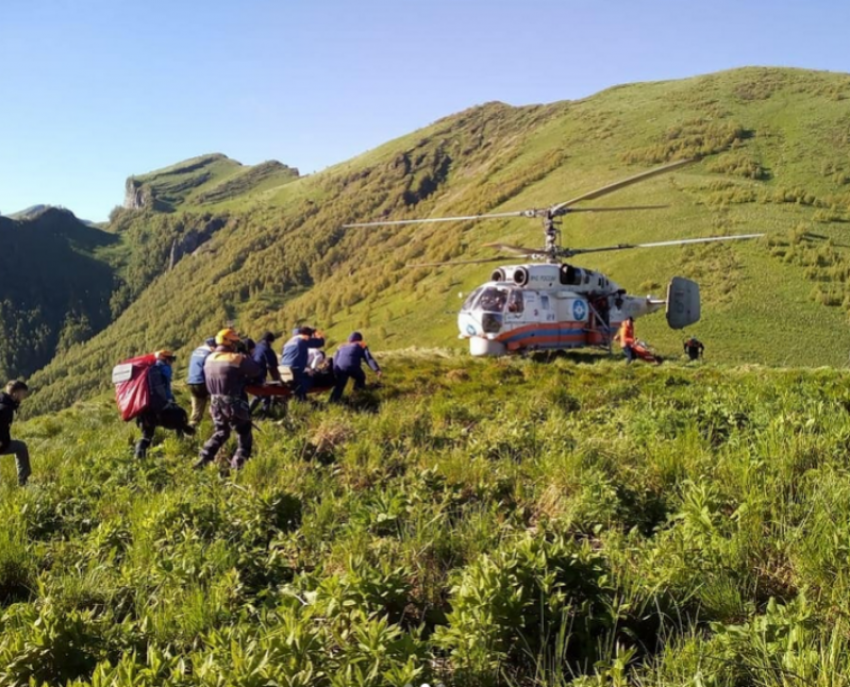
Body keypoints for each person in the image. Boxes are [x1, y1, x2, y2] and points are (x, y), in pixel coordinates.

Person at [194, 328, 263, 470]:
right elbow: (256, 370)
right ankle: (237, 468)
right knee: (244, 434)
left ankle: (204, 458)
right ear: (230, 342)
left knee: (221, 432)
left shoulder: (209, 358)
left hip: (215, 404)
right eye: (235, 342)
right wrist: (245, 354)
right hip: (234, 404)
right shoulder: (236, 358)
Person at [135, 350, 195, 459]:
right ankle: (181, 449)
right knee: (180, 419)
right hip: (160, 407)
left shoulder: (148, 369)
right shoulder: (163, 368)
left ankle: (138, 458)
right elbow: (164, 390)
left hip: (144, 409)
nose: (172, 362)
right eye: (171, 359)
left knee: (146, 437)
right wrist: (169, 401)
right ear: (165, 359)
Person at [329, 332, 382, 403]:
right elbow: (368, 358)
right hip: (352, 367)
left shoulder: (341, 346)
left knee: (339, 385)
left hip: (340, 368)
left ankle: (332, 402)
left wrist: (334, 370)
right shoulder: (361, 346)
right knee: (361, 377)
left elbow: (335, 359)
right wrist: (376, 369)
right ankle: (357, 395)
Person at [280, 326, 325, 401]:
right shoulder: (303, 338)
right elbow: (321, 342)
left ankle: (301, 401)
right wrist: (317, 333)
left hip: (284, 372)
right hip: (296, 372)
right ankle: (303, 403)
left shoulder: (288, 342)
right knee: (315, 378)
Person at [0, 381, 31, 486]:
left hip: (3, 442)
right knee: (21, 447)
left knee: (20, 447)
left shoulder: (4, 403)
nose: (23, 397)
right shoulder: (5, 409)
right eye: (23, 394)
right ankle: (23, 483)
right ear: (15, 394)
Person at [249, 331, 282, 416]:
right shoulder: (267, 350)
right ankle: (264, 416)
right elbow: (273, 367)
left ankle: (248, 413)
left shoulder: (256, 346)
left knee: (258, 395)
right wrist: (277, 381)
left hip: (250, 374)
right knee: (266, 395)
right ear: (270, 341)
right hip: (259, 375)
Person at [187, 337, 216, 427]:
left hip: (192, 382)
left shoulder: (196, 351)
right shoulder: (210, 354)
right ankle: (218, 425)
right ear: (212, 346)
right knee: (216, 401)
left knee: (197, 409)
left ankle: (191, 429)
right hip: (203, 382)